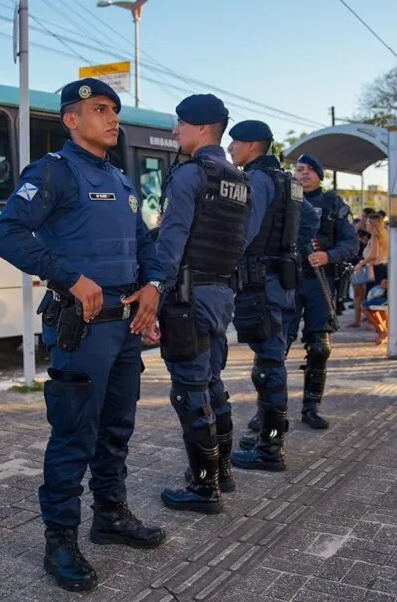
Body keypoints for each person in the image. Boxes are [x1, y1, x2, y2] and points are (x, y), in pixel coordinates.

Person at [0, 78, 166, 592]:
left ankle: (110, 516)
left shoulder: (123, 180)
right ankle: (60, 539)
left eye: (115, 109)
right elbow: (8, 233)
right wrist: (69, 275)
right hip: (81, 328)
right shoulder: (54, 173)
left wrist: (153, 287)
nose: (113, 118)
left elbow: (145, 244)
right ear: (71, 119)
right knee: (74, 435)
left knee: (117, 429)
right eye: (100, 109)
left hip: (125, 327)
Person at [153, 94, 251, 514]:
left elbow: (171, 241)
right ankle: (223, 472)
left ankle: (203, 488)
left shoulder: (191, 176)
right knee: (212, 383)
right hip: (221, 294)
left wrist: (154, 289)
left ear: (200, 128)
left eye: (180, 124)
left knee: (189, 390)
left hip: (187, 296)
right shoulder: (238, 180)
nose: (175, 132)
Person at [221, 120, 301, 473]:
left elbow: (243, 234)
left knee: (269, 366)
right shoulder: (288, 180)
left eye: (234, 143)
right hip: (280, 278)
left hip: (261, 281)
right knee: (268, 362)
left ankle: (271, 448)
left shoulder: (255, 180)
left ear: (252, 145)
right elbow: (307, 222)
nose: (230, 149)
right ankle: (268, 437)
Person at [281, 154, 358, 429]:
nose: (303, 174)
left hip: (319, 281)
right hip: (287, 280)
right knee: (275, 346)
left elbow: (352, 244)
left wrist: (328, 256)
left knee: (318, 347)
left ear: (319, 175)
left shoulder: (333, 204)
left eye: (309, 170)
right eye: (299, 169)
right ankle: (269, 410)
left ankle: (311, 407)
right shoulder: (286, 199)